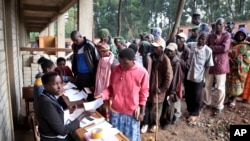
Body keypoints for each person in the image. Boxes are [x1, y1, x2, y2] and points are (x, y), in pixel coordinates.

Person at [97, 48, 149, 141]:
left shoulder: (142, 72)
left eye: (125, 63)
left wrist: (142, 112)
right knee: (115, 137)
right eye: (120, 62)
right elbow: (111, 88)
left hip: (132, 112)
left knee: (130, 138)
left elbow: (144, 94)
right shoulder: (115, 69)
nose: (122, 65)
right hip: (116, 111)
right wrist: (103, 94)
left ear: (133, 61)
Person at [34, 72, 93, 141]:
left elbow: (53, 114)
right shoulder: (46, 103)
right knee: (81, 136)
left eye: (60, 83)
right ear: (45, 86)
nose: (59, 87)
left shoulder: (46, 96)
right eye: (54, 84)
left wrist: (68, 110)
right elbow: (63, 131)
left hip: (52, 134)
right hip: (55, 138)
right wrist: (83, 115)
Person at [203, 18, 231, 115]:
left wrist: (211, 48)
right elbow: (205, 46)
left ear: (224, 26)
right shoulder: (210, 35)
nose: (217, 26)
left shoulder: (227, 35)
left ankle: (219, 106)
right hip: (209, 63)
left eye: (220, 24)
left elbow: (224, 48)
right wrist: (212, 48)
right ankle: (207, 101)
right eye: (216, 24)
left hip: (221, 64)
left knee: (220, 87)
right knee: (207, 85)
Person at [185, 32, 214, 123]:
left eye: (204, 39)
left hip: (199, 77)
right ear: (198, 37)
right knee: (188, 94)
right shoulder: (191, 45)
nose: (201, 40)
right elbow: (183, 47)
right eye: (200, 38)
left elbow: (208, 66)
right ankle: (190, 110)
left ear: (206, 40)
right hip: (188, 75)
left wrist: (205, 78)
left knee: (197, 96)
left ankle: (195, 113)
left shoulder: (208, 51)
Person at [146, 39, 173, 133]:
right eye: (153, 47)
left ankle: (155, 124)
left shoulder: (165, 60)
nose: (154, 49)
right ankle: (151, 122)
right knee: (151, 107)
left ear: (161, 48)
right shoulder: (153, 57)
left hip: (158, 89)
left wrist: (162, 89)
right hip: (152, 87)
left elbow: (169, 77)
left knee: (156, 108)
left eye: (156, 48)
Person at [70, 30, 99, 101]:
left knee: (89, 94)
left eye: (76, 40)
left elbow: (96, 59)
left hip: (89, 75)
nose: (75, 42)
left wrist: (95, 74)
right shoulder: (76, 47)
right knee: (81, 93)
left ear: (80, 36)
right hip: (79, 75)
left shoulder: (89, 45)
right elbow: (75, 61)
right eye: (73, 41)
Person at [226, 27, 250, 108]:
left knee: (237, 84)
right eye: (239, 35)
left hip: (239, 69)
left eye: (242, 35)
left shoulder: (247, 46)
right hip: (230, 67)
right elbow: (227, 52)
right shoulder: (232, 43)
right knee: (228, 83)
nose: (240, 36)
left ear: (244, 36)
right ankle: (228, 97)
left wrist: (238, 61)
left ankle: (234, 99)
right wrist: (229, 59)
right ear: (236, 35)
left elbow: (248, 58)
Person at [161, 43, 183, 129]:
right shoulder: (166, 59)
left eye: (171, 51)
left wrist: (173, 91)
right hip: (166, 85)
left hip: (172, 87)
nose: (168, 52)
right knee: (165, 104)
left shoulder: (176, 62)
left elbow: (176, 78)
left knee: (170, 104)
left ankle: (167, 121)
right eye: (167, 50)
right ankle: (164, 119)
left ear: (175, 51)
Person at [94, 42, 118, 120]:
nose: (98, 53)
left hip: (109, 89)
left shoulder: (113, 62)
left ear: (105, 51)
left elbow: (116, 79)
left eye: (99, 52)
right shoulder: (101, 60)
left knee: (109, 109)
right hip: (101, 89)